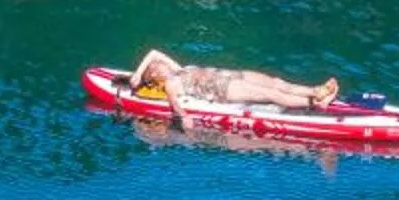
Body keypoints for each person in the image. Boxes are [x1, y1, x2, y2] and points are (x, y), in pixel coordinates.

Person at [130, 49, 339, 124]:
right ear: (156, 75)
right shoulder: (171, 83)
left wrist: (138, 73)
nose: (161, 63)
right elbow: (176, 105)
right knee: (271, 93)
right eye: (157, 66)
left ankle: (316, 90)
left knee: (276, 82)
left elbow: (154, 52)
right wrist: (185, 119)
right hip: (223, 89)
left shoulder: (178, 69)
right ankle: (315, 104)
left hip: (231, 74)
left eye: (160, 63)